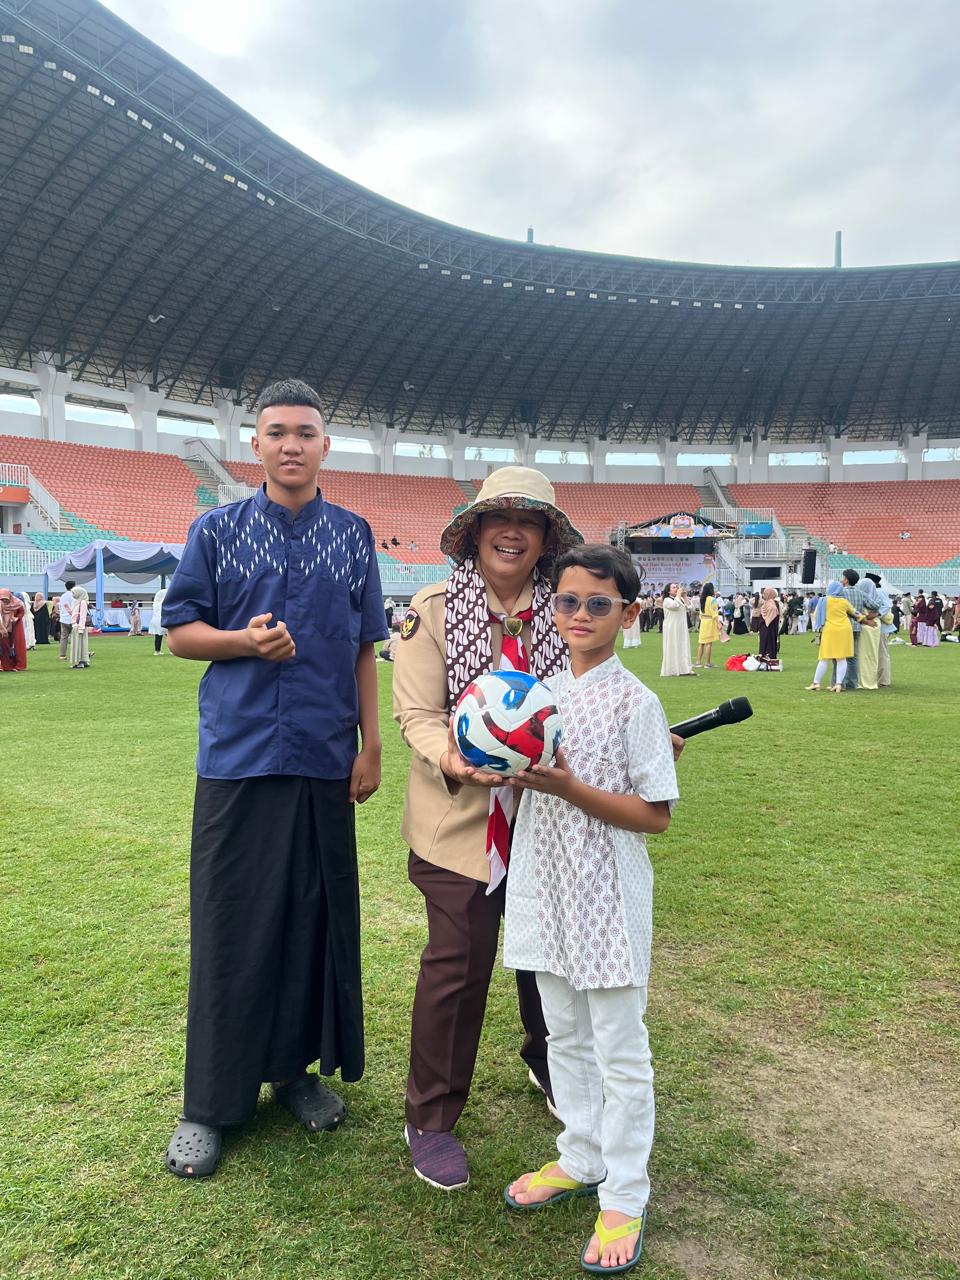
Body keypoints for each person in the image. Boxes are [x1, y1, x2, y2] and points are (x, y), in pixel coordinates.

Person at [160, 378, 387, 1180]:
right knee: (229, 926)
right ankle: (210, 1105)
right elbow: (181, 634)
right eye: (277, 431)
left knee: (309, 921)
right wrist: (242, 643)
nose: (291, 444)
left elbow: (364, 645)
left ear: (326, 446)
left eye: (306, 432)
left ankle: (294, 1074)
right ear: (254, 445)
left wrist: (371, 744)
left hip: (325, 758)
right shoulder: (216, 531)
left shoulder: (355, 537)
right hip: (239, 757)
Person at [392, 467, 582, 1190]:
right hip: (457, 821)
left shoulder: (568, 610)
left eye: (529, 521)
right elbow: (417, 714)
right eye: (498, 518)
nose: (512, 531)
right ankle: (431, 1119)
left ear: (545, 539)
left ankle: (547, 1060)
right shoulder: (434, 609)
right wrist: (456, 759)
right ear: (473, 532)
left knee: (549, 959)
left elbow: (588, 702)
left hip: (548, 816)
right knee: (459, 965)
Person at [502, 544, 679, 1275]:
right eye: (569, 601)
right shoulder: (540, 694)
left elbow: (654, 815)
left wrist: (573, 790)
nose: (580, 615)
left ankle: (626, 1194)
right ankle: (579, 1156)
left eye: (598, 604)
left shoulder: (639, 702)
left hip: (606, 893)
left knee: (618, 1046)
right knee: (563, 1033)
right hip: (544, 885)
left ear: (628, 614)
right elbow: (518, 777)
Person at [806, 582, 866, 692]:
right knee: (842, 658)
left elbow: (816, 615)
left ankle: (816, 683)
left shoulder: (824, 600)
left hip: (829, 630)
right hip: (844, 630)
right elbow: (855, 613)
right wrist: (865, 619)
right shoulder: (844, 602)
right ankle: (838, 684)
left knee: (824, 657)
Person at [661, 583, 696, 676]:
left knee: (683, 646)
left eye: (677, 587)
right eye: (673, 587)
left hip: (681, 627)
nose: (676, 588)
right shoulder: (666, 600)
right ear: (668, 591)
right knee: (673, 646)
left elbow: (691, 608)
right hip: (672, 627)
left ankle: (685, 668)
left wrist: (685, 597)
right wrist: (678, 595)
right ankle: (672, 669)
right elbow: (674, 606)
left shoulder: (680, 599)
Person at [0, 588, 27, 671]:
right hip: (2, 626)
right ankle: (7, 665)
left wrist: (17, 618)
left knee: (18, 644)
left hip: (15, 625)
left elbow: (22, 611)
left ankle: (20, 665)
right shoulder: (0, 604)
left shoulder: (17, 602)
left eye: (6, 599)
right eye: (2, 599)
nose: (4, 601)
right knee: (5, 645)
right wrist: (2, 628)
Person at [695, 582, 720, 668]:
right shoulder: (712, 600)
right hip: (709, 621)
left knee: (701, 642)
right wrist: (718, 623)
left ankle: (698, 662)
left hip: (703, 621)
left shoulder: (702, 599)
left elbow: (700, 612)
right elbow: (715, 613)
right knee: (709, 643)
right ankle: (707, 663)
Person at [68, 586, 91, 668]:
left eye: (74, 592)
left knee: (79, 644)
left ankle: (80, 662)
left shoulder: (83, 602)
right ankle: (83, 661)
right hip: (76, 625)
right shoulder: (77, 602)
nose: (73, 594)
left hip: (78, 626)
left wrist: (81, 628)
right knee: (80, 644)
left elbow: (83, 616)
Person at [757, 586, 780, 662]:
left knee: (769, 642)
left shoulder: (771, 604)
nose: (763, 595)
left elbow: (772, 614)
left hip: (769, 628)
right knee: (764, 642)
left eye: (765, 593)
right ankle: (763, 657)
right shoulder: (767, 603)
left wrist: (767, 621)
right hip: (765, 627)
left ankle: (769, 657)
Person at [58, 581, 76, 660]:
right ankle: (81, 653)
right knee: (76, 637)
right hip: (72, 618)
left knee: (64, 638)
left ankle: (62, 655)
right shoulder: (74, 596)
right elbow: (73, 607)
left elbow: (60, 607)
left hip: (63, 618)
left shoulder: (63, 596)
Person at [149, 587, 168, 653]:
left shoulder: (156, 604)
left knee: (158, 636)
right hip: (164, 620)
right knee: (169, 636)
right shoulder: (164, 604)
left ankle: (157, 651)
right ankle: (172, 650)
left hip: (157, 621)